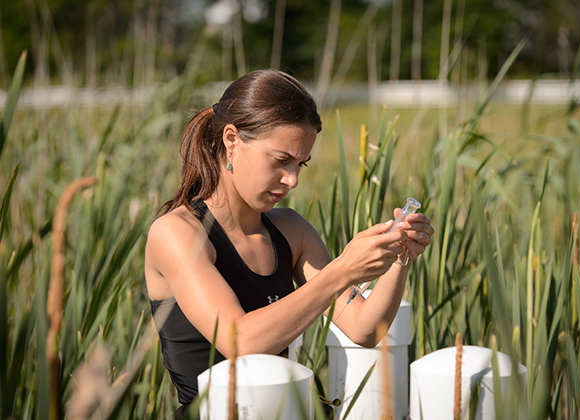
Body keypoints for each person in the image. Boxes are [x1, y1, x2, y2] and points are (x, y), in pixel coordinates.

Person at [144, 69, 434, 418]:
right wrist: (341, 271)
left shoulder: (290, 230)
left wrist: (399, 257)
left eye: (301, 164)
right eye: (281, 160)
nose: (292, 180)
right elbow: (240, 342)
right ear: (232, 139)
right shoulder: (177, 233)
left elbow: (364, 328)